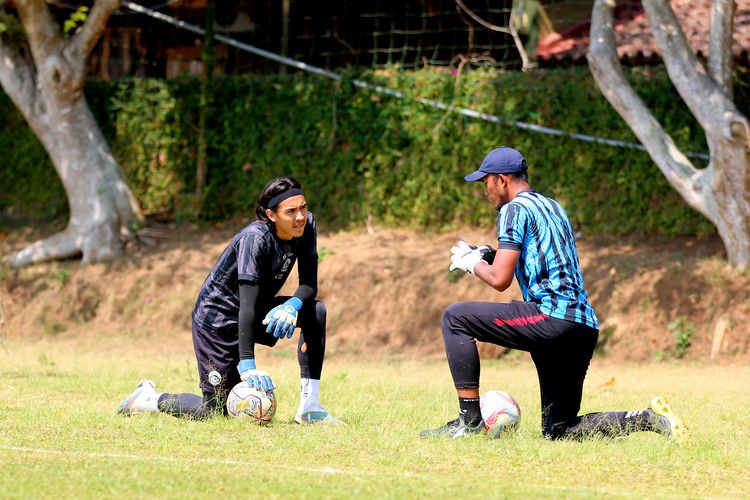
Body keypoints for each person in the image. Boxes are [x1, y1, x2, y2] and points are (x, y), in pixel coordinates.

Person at [420, 146, 688, 442]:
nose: (486, 191)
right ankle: (649, 420)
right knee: (559, 430)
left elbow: (500, 280)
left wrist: (474, 263)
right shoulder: (553, 207)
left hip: (551, 318)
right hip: (583, 327)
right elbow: (541, 260)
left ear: (502, 180)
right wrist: (487, 254)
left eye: (486, 183)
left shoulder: (513, 209)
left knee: (455, 317)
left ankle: (468, 421)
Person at [117, 176, 342, 424]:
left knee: (315, 311)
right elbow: (245, 305)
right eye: (291, 211)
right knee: (215, 411)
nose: (300, 216)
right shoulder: (255, 239)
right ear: (272, 214)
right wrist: (247, 364)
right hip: (218, 321)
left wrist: (292, 305)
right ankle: (147, 399)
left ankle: (309, 409)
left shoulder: (306, 225)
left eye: (303, 207)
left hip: (253, 311)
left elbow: (309, 283)